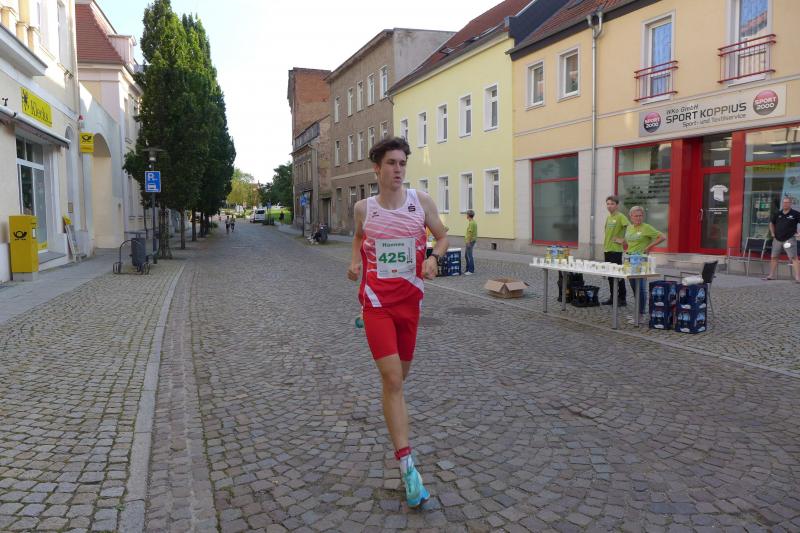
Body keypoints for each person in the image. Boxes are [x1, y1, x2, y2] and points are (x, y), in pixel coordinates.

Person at [347, 136, 448, 508]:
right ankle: (407, 466)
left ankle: (395, 416)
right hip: (376, 305)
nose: (398, 169)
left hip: (410, 304)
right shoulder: (364, 208)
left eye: (402, 163)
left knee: (400, 379)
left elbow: (443, 237)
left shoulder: (421, 203)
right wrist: (355, 261)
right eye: (391, 163)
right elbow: (359, 238)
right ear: (377, 168)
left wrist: (434, 258)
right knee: (392, 379)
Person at [623, 206, 665, 321]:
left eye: (640, 216)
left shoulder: (646, 227)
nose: (638, 218)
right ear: (631, 217)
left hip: (641, 260)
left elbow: (662, 237)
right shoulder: (629, 227)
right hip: (629, 260)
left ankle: (640, 314)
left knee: (640, 288)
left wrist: (648, 247)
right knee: (633, 286)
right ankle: (637, 311)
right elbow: (628, 242)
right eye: (636, 216)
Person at [764, 196, 800, 282]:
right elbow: (771, 223)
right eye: (784, 202)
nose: (785, 204)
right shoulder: (778, 213)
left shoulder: (795, 213)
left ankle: (798, 277)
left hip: (789, 239)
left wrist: (799, 233)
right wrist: (772, 233)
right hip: (777, 239)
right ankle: (771, 275)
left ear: (790, 204)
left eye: (787, 202)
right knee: (774, 257)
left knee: (794, 258)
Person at [602, 196, 628, 306]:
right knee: (610, 275)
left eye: (612, 204)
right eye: (608, 204)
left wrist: (623, 240)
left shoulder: (620, 216)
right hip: (607, 249)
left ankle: (622, 299)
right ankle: (613, 298)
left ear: (617, 205)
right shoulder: (609, 217)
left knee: (618, 275)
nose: (609, 206)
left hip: (616, 251)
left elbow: (629, 228)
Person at [464, 210, 477, 275]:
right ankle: (467, 269)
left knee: (469, 256)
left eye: (467, 214)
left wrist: (468, 242)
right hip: (470, 240)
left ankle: (470, 270)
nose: (466, 216)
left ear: (468, 215)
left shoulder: (471, 223)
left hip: (470, 241)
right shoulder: (472, 222)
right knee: (466, 255)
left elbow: (470, 233)